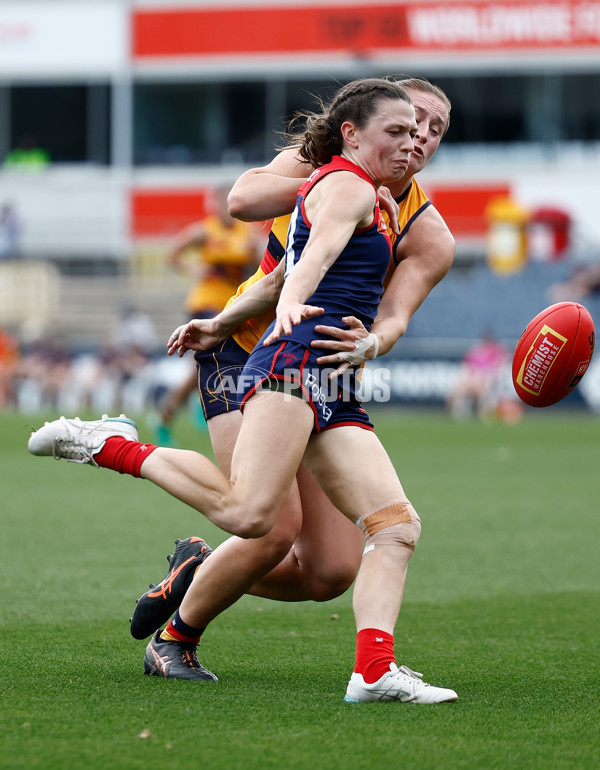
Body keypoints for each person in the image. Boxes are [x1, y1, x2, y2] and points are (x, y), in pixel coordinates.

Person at [28, 77, 458, 704]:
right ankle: (176, 634)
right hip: (257, 355)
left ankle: (211, 580)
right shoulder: (334, 175)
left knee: (335, 567)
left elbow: (392, 315)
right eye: (406, 122)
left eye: (434, 130)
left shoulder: (426, 229)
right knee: (264, 524)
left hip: (325, 371)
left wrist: (373, 341)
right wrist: (321, 198)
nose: (419, 136)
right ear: (364, 127)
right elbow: (252, 209)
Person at [154, 185, 260, 443]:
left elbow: (262, 261)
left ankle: (171, 410)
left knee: (203, 365)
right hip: (206, 302)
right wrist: (195, 270)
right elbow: (173, 255)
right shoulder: (205, 231)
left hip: (233, 303)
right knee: (214, 357)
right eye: (221, 202)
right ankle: (197, 402)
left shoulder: (247, 232)